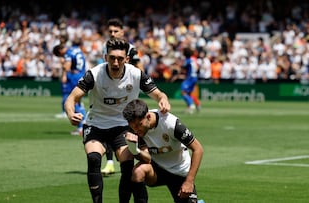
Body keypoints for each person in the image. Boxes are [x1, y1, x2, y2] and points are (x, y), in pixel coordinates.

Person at [64, 38, 170, 203]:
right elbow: (71, 98)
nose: (115, 62)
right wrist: (71, 114)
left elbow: (159, 94)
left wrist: (163, 100)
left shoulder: (135, 74)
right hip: (96, 124)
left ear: (127, 59)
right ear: (105, 57)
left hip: (123, 126)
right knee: (93, 159)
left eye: (120, 59)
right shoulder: (94, 74)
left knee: (127, 166)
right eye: (112, 57)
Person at [122, 99, 204, 203]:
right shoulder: (136, 129)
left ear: (148, 116)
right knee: (138, 171)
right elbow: (146, 158)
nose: (136, 130)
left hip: (179, 171)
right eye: (133, 127)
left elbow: (198, 149)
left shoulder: (170, 123)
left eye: (139, 125)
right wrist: (134, 149)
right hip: (157, 170)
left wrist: (189, 181)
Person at [101, 18, 141, 176]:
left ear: (122, 32)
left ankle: (132, 159)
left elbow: (139, 67)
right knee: (107, 121)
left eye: (115, 31)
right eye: (110, 31)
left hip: (127, 90)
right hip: (110, 88)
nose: (112, 34)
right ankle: (110, 162)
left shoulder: (131, 48)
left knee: (127, 125)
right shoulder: (107, 47)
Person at [53, 39, 87, 136]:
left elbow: (67, 67)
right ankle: (83, 124)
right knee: (79, 101)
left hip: (74, 77)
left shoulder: (68, 53)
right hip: (82, 74)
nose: (62, 57)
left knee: (73, 100)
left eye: (60, 55)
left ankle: (81, 127)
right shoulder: (76, 49)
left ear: (60, 51)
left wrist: (63, 64)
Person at [180, 47, 201, 113]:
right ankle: (196, 104)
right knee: (189, 93)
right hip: (195, 77)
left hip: (190, 78)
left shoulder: (187, 60)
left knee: (183, 92)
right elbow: (197, 68)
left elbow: (183, 67)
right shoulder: (193, 60)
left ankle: (191, 105)